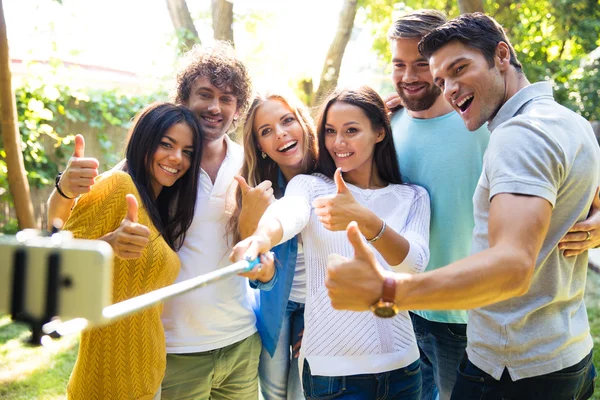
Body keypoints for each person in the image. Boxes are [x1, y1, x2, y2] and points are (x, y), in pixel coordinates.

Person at [326, 13, 600, 400]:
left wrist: (387, 291)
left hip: (510, 363)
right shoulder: (564, 120)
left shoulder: (517, 134)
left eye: (459, 69)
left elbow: (512, 266)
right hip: (559, 350)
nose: (450, 89)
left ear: (501, 55)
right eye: (442, 80)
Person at [48, 41, 274, 400]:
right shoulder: (147, 178)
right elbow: (61, 241)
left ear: (239, 107)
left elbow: (263, 249)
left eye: (228, 98)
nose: (216, 107)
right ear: (183, 98)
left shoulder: (250, 163)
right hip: (173, 348)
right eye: (205, 94)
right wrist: (63, 190)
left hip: (240, 340)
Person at [231, 86, 430, 399]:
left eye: (351, 130)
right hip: (332, 372)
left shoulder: (413, 196)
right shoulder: (309, 187)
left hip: (403, 366)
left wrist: (365, 219)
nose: (339, 142)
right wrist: (259, 236)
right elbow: (289, 213)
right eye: (331, 131)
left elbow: (413, 264)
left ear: (380, 132)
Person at [63, 102, 203, 400]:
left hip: (149, 380)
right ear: (145, 141)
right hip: (104, 385)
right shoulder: (117, 185)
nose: (177, 158)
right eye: (167, 144)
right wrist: (107, 246)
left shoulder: (159, 209)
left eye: (187, 151)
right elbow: (57, 269)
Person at [386, 10, 489, 400]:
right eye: (399, 64)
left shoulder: (481, 125)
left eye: (421, 65)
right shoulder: (388, 127)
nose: (409, 76)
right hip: (403, 310)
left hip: (463, 316)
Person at [228, 89, 318, 400]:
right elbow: (255, 271)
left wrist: (327, 318)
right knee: (275, 392)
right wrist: (249, 220)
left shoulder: (335, 175)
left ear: (303, 123)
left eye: (287, 121)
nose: (280, 134)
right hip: (276, 303)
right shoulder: (259, 191)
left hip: (323, 304)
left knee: (301, 392)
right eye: (266, 131)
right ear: (261, 147)